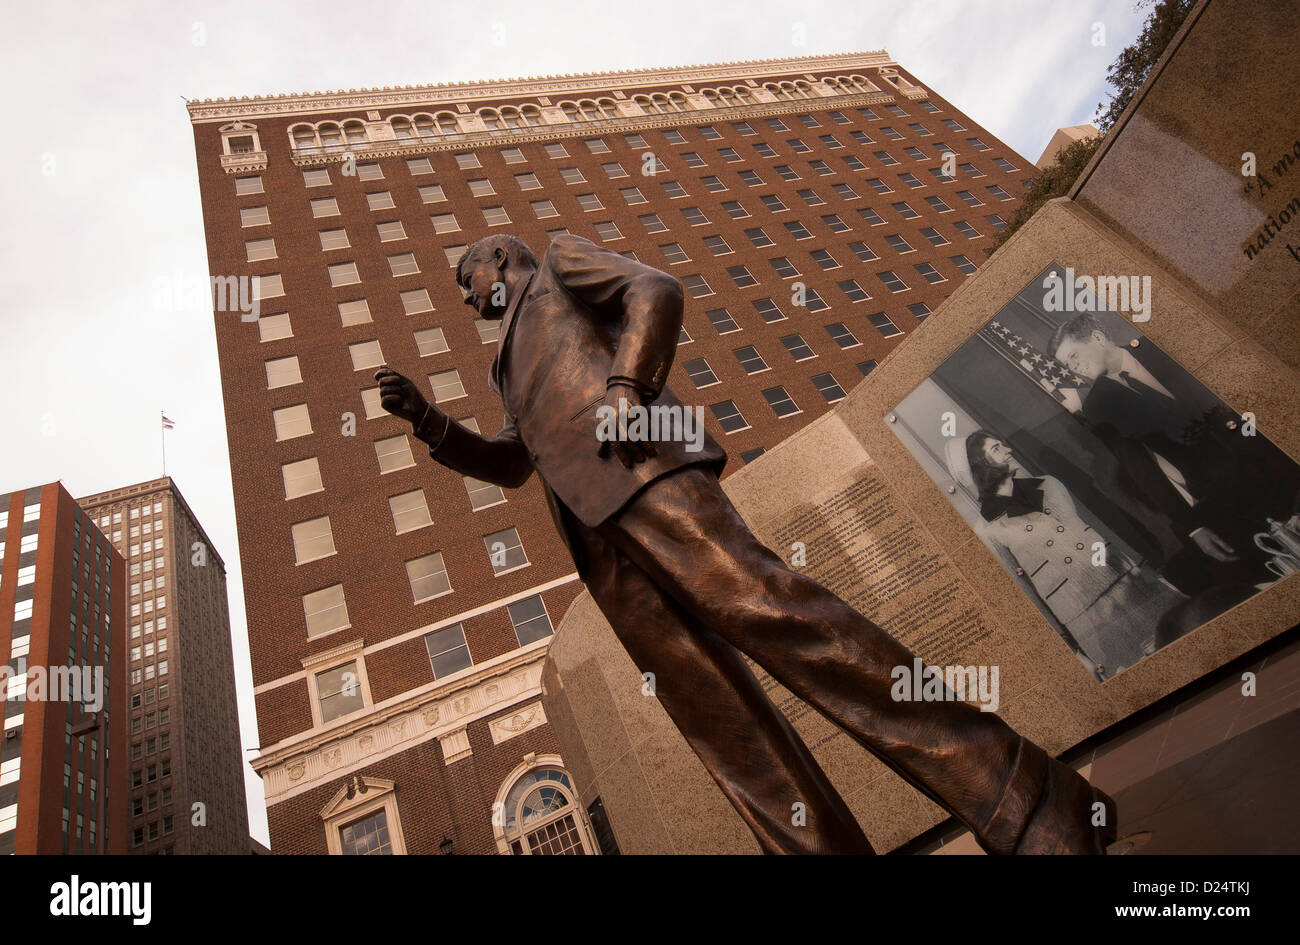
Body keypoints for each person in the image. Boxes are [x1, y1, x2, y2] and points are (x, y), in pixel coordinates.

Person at [375, 232, 1116, 854]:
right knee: (716, 720)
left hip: (644, 466)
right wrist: (432, 423)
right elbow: (514, 460)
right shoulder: (502, 364)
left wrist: (628, 388)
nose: (468, 299)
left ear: (501, 259)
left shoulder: (560, 264)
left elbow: (655, 290)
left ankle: (1028, 797)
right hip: (599, 547)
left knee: (778, 613)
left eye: (466, 281)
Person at [1049, 313, 1300, 593]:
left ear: (1096, 338)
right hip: (1226, 496)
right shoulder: (1098, 407)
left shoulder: (1163, 347)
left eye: (1073, 356)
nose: (1074, 368)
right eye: (1066, 364)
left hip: (1278, 456)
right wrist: (1193, 528)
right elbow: (1142, 470)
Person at [949, 431, 1179, 678]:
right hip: (1090, 619)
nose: (1009, 450)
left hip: (1133, 585)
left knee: (1182, 641)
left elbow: (1101, 527)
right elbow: (1024, 597)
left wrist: (1149, 570)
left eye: (1003, 445)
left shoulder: (1049, 484)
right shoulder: (988, 530)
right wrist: (1073, 653)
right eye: (996, 449)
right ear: (979, 468)